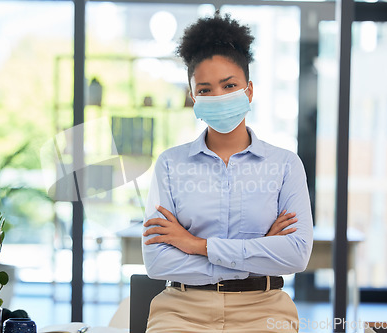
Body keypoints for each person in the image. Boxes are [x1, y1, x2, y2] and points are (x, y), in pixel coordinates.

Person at [142, 12, 313, 333]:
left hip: (264, 310)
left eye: (229, 85)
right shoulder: (170, 164)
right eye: (205, 89)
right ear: (193, 97)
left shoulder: (285, 165)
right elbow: (158, 262)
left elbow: (295, 256)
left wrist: (196, 244)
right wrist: (258, 252)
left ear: (248, 91)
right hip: (180, 311)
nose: (218, 96)